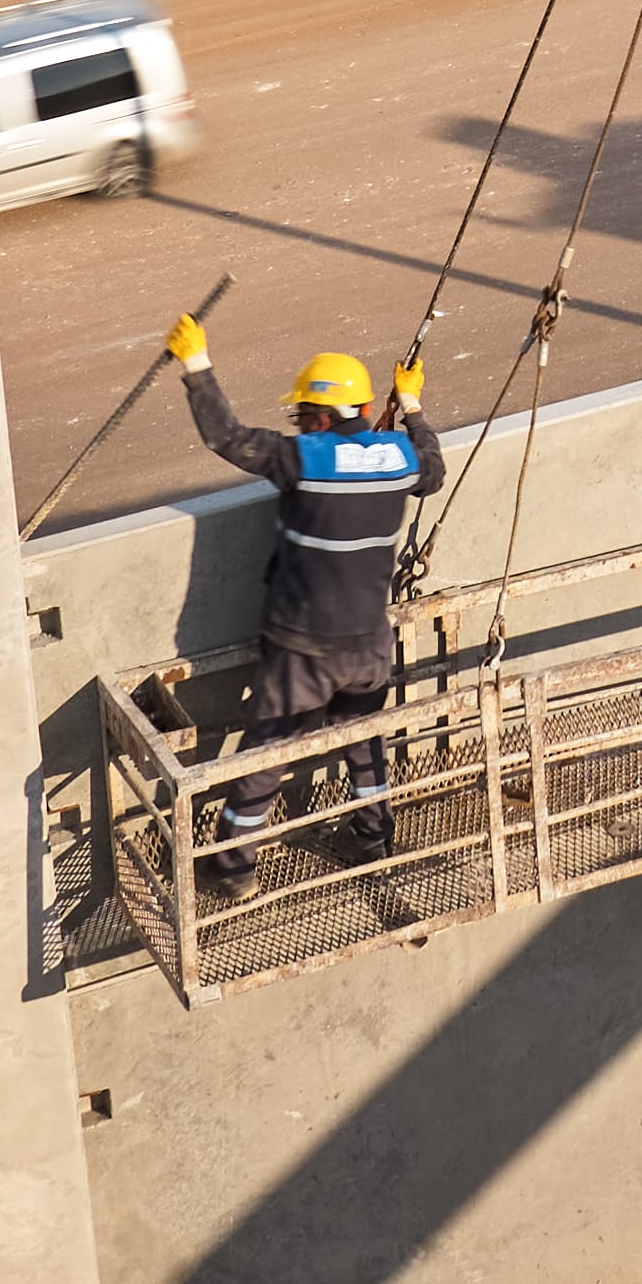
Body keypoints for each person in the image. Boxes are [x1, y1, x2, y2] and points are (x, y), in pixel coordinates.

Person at [174, 325, 444, 877]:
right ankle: (372, 836)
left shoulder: (305, 457)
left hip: (303, 646)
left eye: (300, 416)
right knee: (364, 741)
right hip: (368, 641)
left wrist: (197, 364)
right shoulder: (398, 456)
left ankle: (231, 868)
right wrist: (412, 405)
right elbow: (432, 469)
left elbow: (228, 437)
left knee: (268, 751)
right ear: (366, 407)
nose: (296, 426)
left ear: (321, 417)